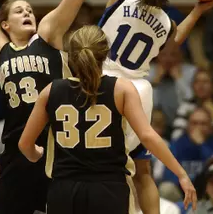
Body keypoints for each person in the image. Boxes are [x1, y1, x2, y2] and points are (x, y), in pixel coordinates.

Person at [0, 0, 159, 214]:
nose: (27, 11)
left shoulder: (49, 34)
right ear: (4, 23)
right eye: (19, 10)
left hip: (56, 150)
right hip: (15, 154)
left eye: (30, 8)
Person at [19, 25, 197, 214]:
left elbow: (25, 144)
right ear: (106, 54)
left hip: (64, 189)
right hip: (109, 190)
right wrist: (182, 174)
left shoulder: (51, 90)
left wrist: (36, 154)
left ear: (70, 55)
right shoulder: (122, 89)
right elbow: (147, 136)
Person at [96, 0, 213, 213]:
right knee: (143, 171)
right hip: (138, 92)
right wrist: (198, 10)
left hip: (100, 82)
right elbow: (175, 42)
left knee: (94, 162)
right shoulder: (167, 23)